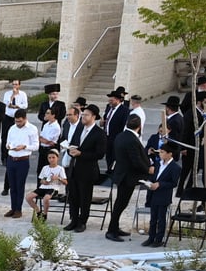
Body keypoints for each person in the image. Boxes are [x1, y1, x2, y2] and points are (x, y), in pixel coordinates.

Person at [105, 115, 150, 242]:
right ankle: (111, 230)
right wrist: (148, 169)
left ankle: (115, 227)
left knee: (120, 203)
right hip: (127, 177)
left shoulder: (121, 136)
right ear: (139, 126)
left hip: (122, 174)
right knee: (120, 204)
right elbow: (135, 161)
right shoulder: (131, 139)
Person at [63, 104, 107, 233]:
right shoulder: (79, 128)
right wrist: (70, 149)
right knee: (73, 196)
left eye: (86, 115)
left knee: (85, 197)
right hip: (74, 168)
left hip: (87, 170)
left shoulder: (99, 133)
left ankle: (82, 221)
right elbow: (74, 143)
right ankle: (73, 219)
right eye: (82, 115)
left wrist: (81, 154)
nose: (83, 117)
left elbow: (100, 154)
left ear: (94, 117)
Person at [141, 142, 182, 247]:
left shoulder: (175, 167)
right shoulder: (159, 164)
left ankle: (159, 239)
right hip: (154, 194)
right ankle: (151, 237)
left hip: (163, 196)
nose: (160, 154)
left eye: (162, 152)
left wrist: (160, 184)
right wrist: (149, 183)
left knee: (161, 218)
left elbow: (173, 183)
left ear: (170, 154)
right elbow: (155, 176)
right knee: (153, 218)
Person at [3, 109, 39, 218]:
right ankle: (13, 208)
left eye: (20, 121)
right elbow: (7, 143)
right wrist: (9, 146)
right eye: (16, 121)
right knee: (12, 185)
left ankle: (18, 209)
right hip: (11, 158)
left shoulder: (32, 129)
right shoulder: (12, 128)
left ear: (25, 119)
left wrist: (24, 147)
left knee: (19, 185)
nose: (18, 123)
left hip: (22, 160)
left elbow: (36, 146)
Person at [2, 80, 29, 194]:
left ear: (19, 85)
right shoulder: (8, 94)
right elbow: (5, 103)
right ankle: (4, 156)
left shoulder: (22, 94)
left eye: (16, 85)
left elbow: (25, 105)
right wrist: (12, 96)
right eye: (13, 85)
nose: (14, 86)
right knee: (5, 137)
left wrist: (17, 105)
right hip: (8, 117)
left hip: (18, 115)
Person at [27, 149, 67, 220]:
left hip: (53, 188)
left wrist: (58, 178)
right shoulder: (45, 168)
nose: (51, 160)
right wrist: (44, 181)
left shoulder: (60, 169)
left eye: (53, 157)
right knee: (28, 197)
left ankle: (45, 214)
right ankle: (39, 212)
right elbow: (41, 180)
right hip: (43, 187)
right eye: (49, 158)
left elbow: (66, 182)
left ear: (57, 158)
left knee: (46, 199)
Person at [37, 107, 62, 176]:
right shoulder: (46, 124)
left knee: (47, 171)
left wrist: (41, 139)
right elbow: (41, 137)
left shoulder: (56, 127)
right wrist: (41, 139)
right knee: (40, 170)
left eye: (48, 113)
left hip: (49, 150)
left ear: (53, 115)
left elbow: (47, 141)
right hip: (42, 149)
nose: (45, 114)